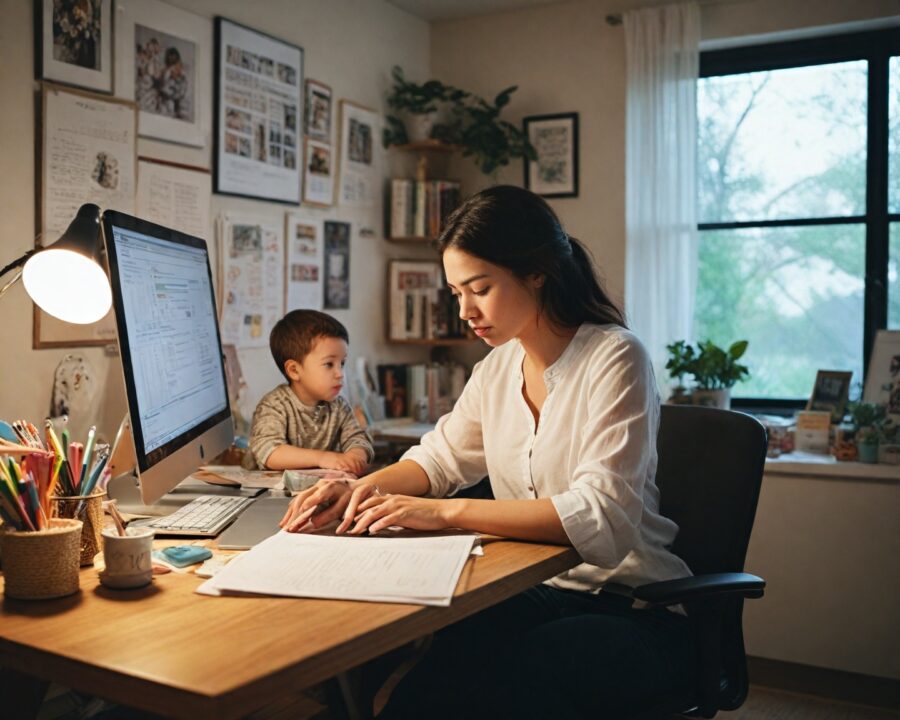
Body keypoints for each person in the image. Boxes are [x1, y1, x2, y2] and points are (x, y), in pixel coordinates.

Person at [280, 186, 696, 719]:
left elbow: (602, 517)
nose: (465, 311)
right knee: (432, 664)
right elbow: (437, 461)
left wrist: (442, 512)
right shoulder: (498, 368)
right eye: (456, 293)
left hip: (635, 604)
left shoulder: (614, 357)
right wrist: (357, 490)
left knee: (514, 681)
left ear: (536, 272)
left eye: (480, 288)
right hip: (545, 590)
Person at [247, 310, 373, 474]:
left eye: (341, 363)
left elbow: (358, 438)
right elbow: (269, 452)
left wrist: (355, 457)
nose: (340, 373)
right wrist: (323, 458)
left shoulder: (339, 406)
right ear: (294, 370)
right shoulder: (274, 406)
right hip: (270, 493)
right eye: (329, 364)